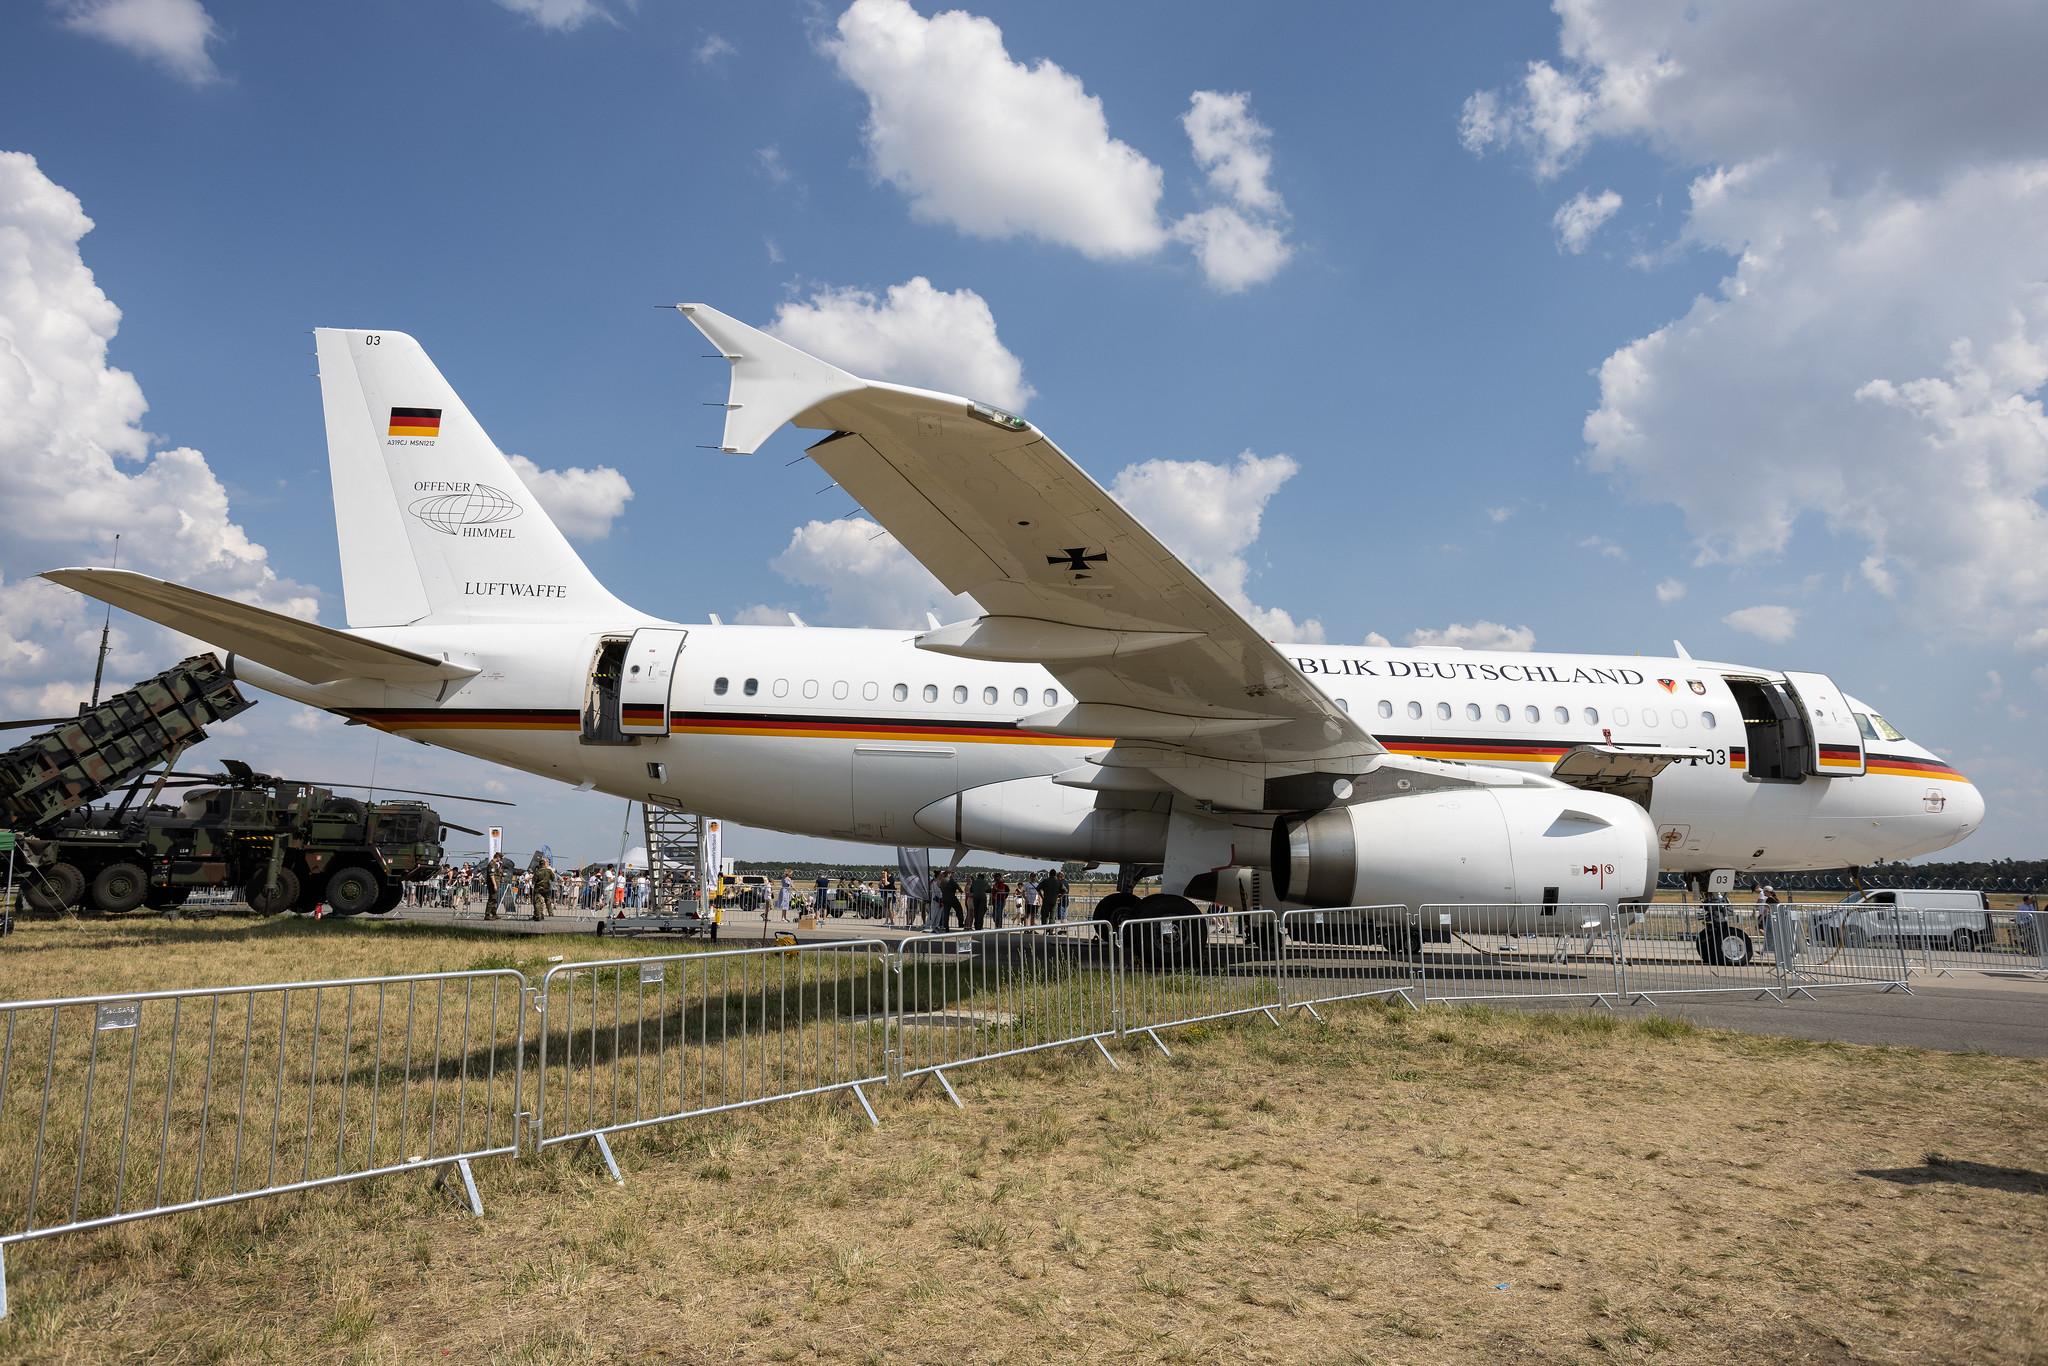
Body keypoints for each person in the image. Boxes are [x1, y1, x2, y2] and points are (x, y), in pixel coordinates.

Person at [531, 856, 554, 921]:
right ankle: (550, 912)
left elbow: (533, 881)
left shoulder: (537, 872)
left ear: (539, 865)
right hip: (547, 889)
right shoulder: (549, 871)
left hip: (538, 889)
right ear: (544, 864)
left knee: (537, 902)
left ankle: (538, 915)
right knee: (548, 901)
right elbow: (553, 878)